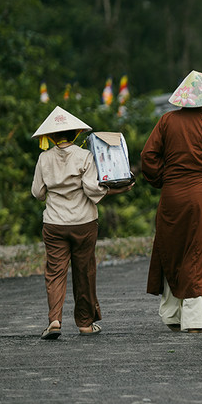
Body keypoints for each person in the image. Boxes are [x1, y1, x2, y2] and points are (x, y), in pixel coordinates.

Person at [140, 70, 202, 333]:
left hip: (172, 194)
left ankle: (172, 314)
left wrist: (162, 179)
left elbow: (148, 157)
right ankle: (193, 320)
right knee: (198, 252)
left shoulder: (166, 121)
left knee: (172, 249)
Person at [31, 106, 131, 339]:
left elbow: (38, 193)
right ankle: (85, 324)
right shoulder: (84, 156)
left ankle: (54, 320)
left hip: (54, 224)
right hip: (84, 222)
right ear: (76, 133)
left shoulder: (44, 158)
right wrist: (119, 189)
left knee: (55, 272)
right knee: (84, 271)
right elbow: (93, 190)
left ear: (51, 136)